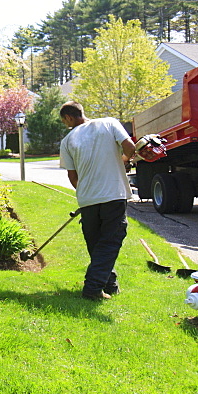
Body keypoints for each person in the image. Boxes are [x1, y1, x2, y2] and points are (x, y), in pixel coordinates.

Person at [58, 101, 136, 301]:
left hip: (87, 199)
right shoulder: (109, 123)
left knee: (97, 243)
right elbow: (130, 148)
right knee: (109, 242)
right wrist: (124, 160)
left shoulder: (67, 141)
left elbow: (73, 177)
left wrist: (87, 191)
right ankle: (92, 289)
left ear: (68, 118)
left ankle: (110, 284)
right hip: (113, 193)